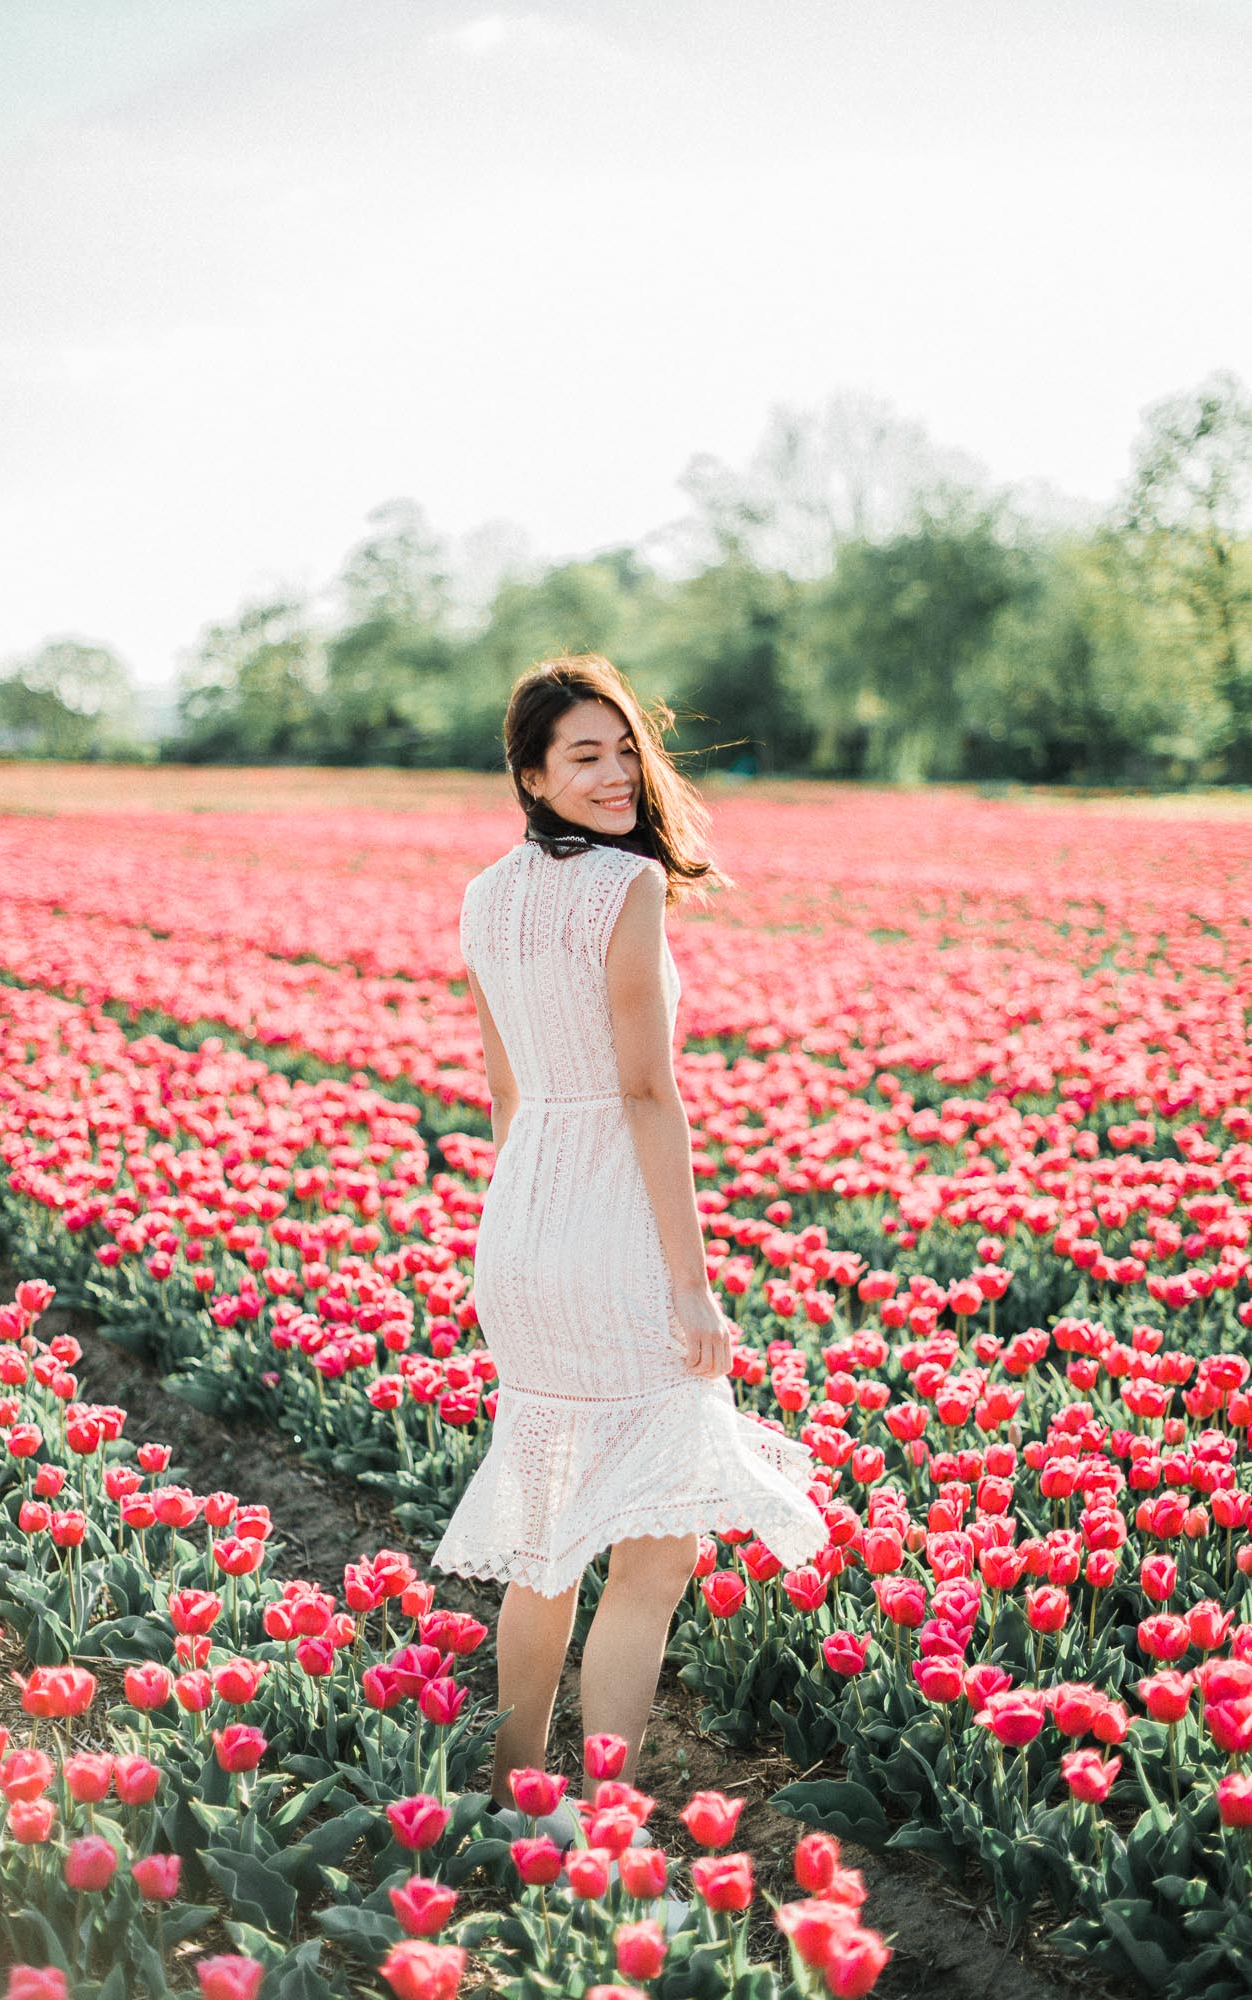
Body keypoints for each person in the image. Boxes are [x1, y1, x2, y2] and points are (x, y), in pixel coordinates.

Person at [429, 653, 828, 1831]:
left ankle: (516, 1790)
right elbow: (650, 1094)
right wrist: (692, 1289)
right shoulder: (623, 885)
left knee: (547, 1535)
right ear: (533, 776)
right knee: (652, 1560)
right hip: (606, 1225)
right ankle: (597, 1806)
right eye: (582, 757)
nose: (611, 775)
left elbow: (503, 1087)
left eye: (621, 750)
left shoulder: (484, 895)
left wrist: (524, 1217)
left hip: (523, 1218)